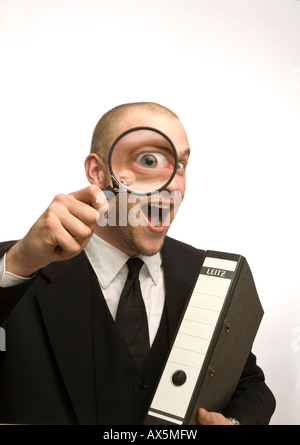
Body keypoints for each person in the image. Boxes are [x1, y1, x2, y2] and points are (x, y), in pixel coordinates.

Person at [0, 102, 275, 425]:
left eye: (181, 165)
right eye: (149, 160)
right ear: (98, 172)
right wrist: (17, 264)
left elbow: (249, 384)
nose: (172, 184)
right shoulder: (19, 267)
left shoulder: (205, 273)